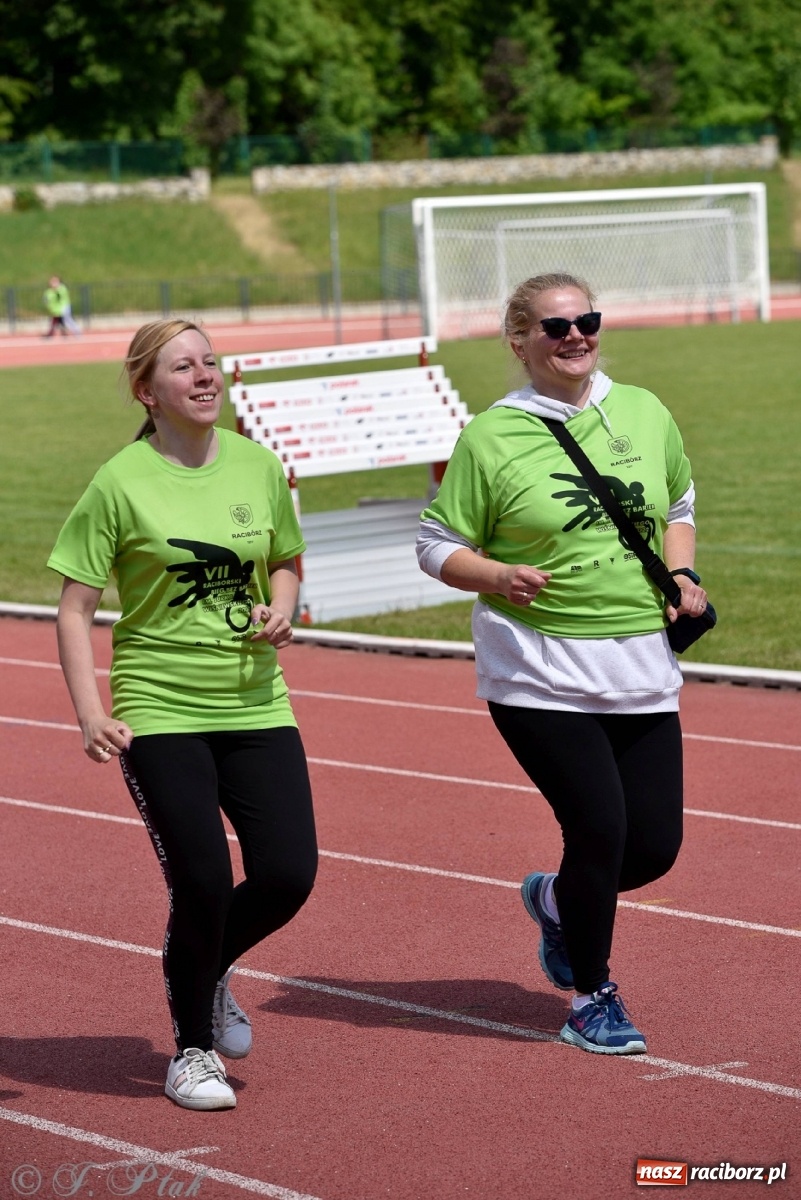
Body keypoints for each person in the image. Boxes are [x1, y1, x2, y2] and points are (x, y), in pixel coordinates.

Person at [417, 272, 709, 1055]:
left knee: (651, 849)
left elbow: (677, 506)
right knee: (599, 830)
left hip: (638, 662)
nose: (574, 334)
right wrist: (496, 575)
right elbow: (435, 543)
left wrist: (679, 575)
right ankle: (593, 996)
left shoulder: (643, 410)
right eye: (554, 326)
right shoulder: (492, 435)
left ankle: (555, 903)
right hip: (536, 667)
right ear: (519, 341)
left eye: (586, 319)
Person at [48, 318, 318, 1109]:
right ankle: (190, 1050)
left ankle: (211, 962)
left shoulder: (258, 465)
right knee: (202, 881)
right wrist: (90, 712)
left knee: (286, 875)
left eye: (210, 363)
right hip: (158, 705)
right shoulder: (120, 480)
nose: (205, 377)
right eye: (182, 368)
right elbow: (74, 607)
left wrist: (283, 606)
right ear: (147, 390)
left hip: (255, 699)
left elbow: (287, 561)